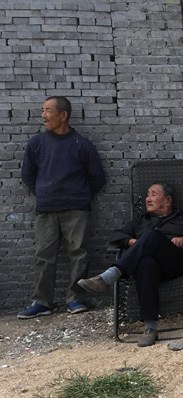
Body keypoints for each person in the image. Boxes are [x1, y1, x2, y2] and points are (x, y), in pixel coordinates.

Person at [77, 182, 183, 347]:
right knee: (146, 262)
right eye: (147, 195)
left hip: (176, 263)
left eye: (153, 194)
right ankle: (150, 328)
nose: (148, 199)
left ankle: (110, 276)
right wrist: (132, 242)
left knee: (152, 236)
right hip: (150, 269)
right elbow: (115, 235)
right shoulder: (140, 219)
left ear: (167, 200)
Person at [19, 96, 106, 319]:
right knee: (43, 256)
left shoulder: (82, 145)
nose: (43, 116)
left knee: (78, 253)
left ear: (63, 115)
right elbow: (27, 175)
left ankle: (75, 299)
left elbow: (97, 177)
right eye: (42, 110)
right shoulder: (36, 144)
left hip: (77, 209)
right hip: (46, 209)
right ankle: (42, 302)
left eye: (48, 111)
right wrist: (45, 194)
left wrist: (79, 196)